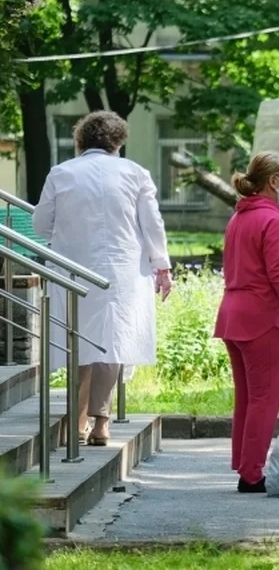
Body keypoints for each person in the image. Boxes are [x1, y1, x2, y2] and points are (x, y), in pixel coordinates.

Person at [33, 110, 171, 447]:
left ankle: (77, 421)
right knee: (113, 340)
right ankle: (101, 423)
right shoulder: (135, 173)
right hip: (124, 270)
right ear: (118, 141)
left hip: (73, 267)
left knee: (79, 339)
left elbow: (40, 225)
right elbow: (152, 225)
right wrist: (162, 267)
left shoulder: (61, 173)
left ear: (80, 140)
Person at [214, 151, 279, 493]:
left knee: (247, 397)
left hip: (234, 312)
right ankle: (252, 473)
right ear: (275, 182)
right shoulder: (273, 219)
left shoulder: (240, 217)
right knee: (265, 398)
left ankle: (246, 465)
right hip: (260, 316)